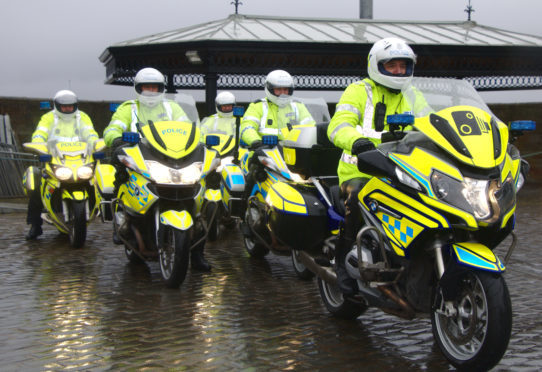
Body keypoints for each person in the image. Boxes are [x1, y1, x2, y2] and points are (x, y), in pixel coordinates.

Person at [327, 37, 417, 295]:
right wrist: (358, 142)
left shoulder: (407, 97)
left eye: (403, 66)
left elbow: (426, 124)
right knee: (357, 200)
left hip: (396, 170)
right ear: (377, 65)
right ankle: (343, 265)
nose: (399, 71)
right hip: (358, 171)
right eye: (392, 66)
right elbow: (338, 125)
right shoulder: (358, 91)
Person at [103, 67, 212, 272]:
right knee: (121, 176)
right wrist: (116, 137)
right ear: (139, 88)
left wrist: (203, 140)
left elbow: (192, 128)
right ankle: (120, 219)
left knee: (199, 204)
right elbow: (113, 128)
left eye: (155, 87)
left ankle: (197, 255)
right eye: (147, 87)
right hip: (142, 156)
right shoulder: (129, 108)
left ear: (162, 88)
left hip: (174, 158)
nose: (151, 91)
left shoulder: (173, 108)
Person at [25, 90, 99, 240]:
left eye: (70, 106)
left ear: (75, 106)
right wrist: (39, 145)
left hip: (80, 160)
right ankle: (35, 224)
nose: (67, 109)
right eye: (64, 107)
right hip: (55, 159)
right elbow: (40, 133)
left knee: (98, 179)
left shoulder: (82, 117)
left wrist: (95, 144)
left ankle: (105, 213)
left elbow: (90, 133)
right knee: (36, 182)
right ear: (57, 106)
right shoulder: (48, 118)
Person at [240, 69, 315, 148]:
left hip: (293, 151)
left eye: (285, 89)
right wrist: (255, 141)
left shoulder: (298, 106)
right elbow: (247, 127)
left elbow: (311, 128)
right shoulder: (258, 106)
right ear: (270, 89)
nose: (283, 93)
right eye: (278, 89)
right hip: (263, 151)